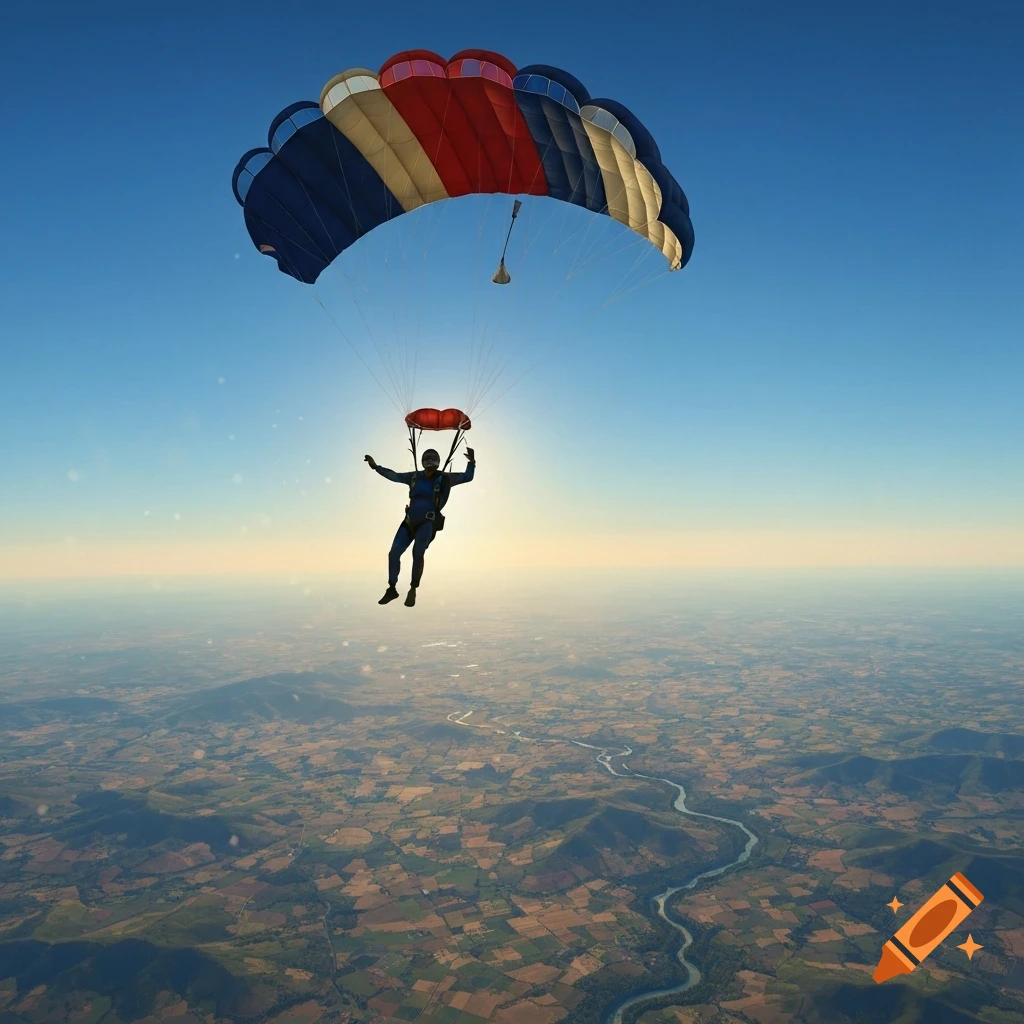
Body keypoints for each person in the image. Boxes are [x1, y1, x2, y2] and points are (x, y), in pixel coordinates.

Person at [364, 446, 476, 607]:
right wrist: (375, 467)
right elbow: (394, 476)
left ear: (438, 462)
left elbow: (467, 477)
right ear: (423, 461)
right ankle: (392, 588)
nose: (429, 460)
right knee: (394, 552)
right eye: (427, 458)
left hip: (426, 523)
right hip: (410, 521)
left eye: (433, 458)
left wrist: (472, 462)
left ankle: (413, 589)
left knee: (418, 553)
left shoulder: (445, 478)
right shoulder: (414, 477)